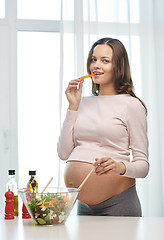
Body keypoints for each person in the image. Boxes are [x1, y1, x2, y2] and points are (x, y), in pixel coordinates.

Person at [57, 37, 149, 217]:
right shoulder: (81, 103)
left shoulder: (131, 105)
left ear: (119, 66)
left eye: (105, 60)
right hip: (83, 205)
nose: (96, 65)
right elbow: (63, 153)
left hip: (118, 204)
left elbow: (143, 166)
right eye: (93, 59)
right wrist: (73, 107)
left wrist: (120, 167)